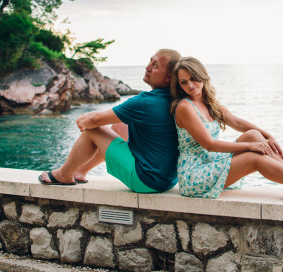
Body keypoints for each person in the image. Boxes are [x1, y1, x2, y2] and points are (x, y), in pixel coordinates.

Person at [171, 57, 283, 201]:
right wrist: (250, 147)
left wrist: (268, 136)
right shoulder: (185, 107)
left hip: (210, 162)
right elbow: (210, 145)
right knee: (254, 157)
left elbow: (238, 123)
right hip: (195, 174)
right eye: (184, 82)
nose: (190, 85)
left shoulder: (209, 103)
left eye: (193, 79)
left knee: (254, 135)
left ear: (202, 76)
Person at [39, 49, 182, 193]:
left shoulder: (145, 102)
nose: (148, 67)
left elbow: (94, 120)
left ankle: (64, 174)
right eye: (150, 61)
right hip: (168, 180)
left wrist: (82, 120)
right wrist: (91, 119)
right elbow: (107, 117)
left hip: (145, 181)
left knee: (93, 131)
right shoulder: (178, 100)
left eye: (155, 65)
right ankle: (80, 171)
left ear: (169, 77)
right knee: (121, 125)